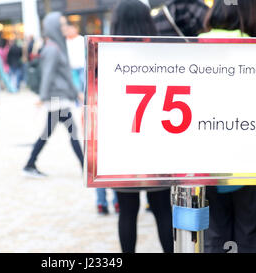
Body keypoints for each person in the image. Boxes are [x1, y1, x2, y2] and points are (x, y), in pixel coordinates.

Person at [199, 0, 256, 253]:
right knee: (251, 234)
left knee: (215, 234)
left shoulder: (196, 45)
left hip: (205, 159)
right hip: (253, 160)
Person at [111, 0, 173, 254]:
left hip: (123, 145)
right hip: (157, 142)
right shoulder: (160, 54)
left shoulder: (107, 55)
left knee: (127, 211)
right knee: (162, 208)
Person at [22, 12, 84, 178]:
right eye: (62, 24)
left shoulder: (56, 46)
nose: (65, 27)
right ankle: (85, 166)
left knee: (52, 132)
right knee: (71, 132)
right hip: (57, 98)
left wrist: (76, 93)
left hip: (60, 97)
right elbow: (48, 75)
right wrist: (42, 97)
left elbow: (64, 75)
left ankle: (30, 163)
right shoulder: (52, 49)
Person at [65, 24, 85, 92]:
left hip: (82, 66)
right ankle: (77, 101)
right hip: (71, 67)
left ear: (76, 30)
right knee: (76, 86)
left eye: (71, 29)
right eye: (68, 30)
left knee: (84, 84)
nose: (70, 31)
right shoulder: (65, 41)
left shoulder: (81, 39)